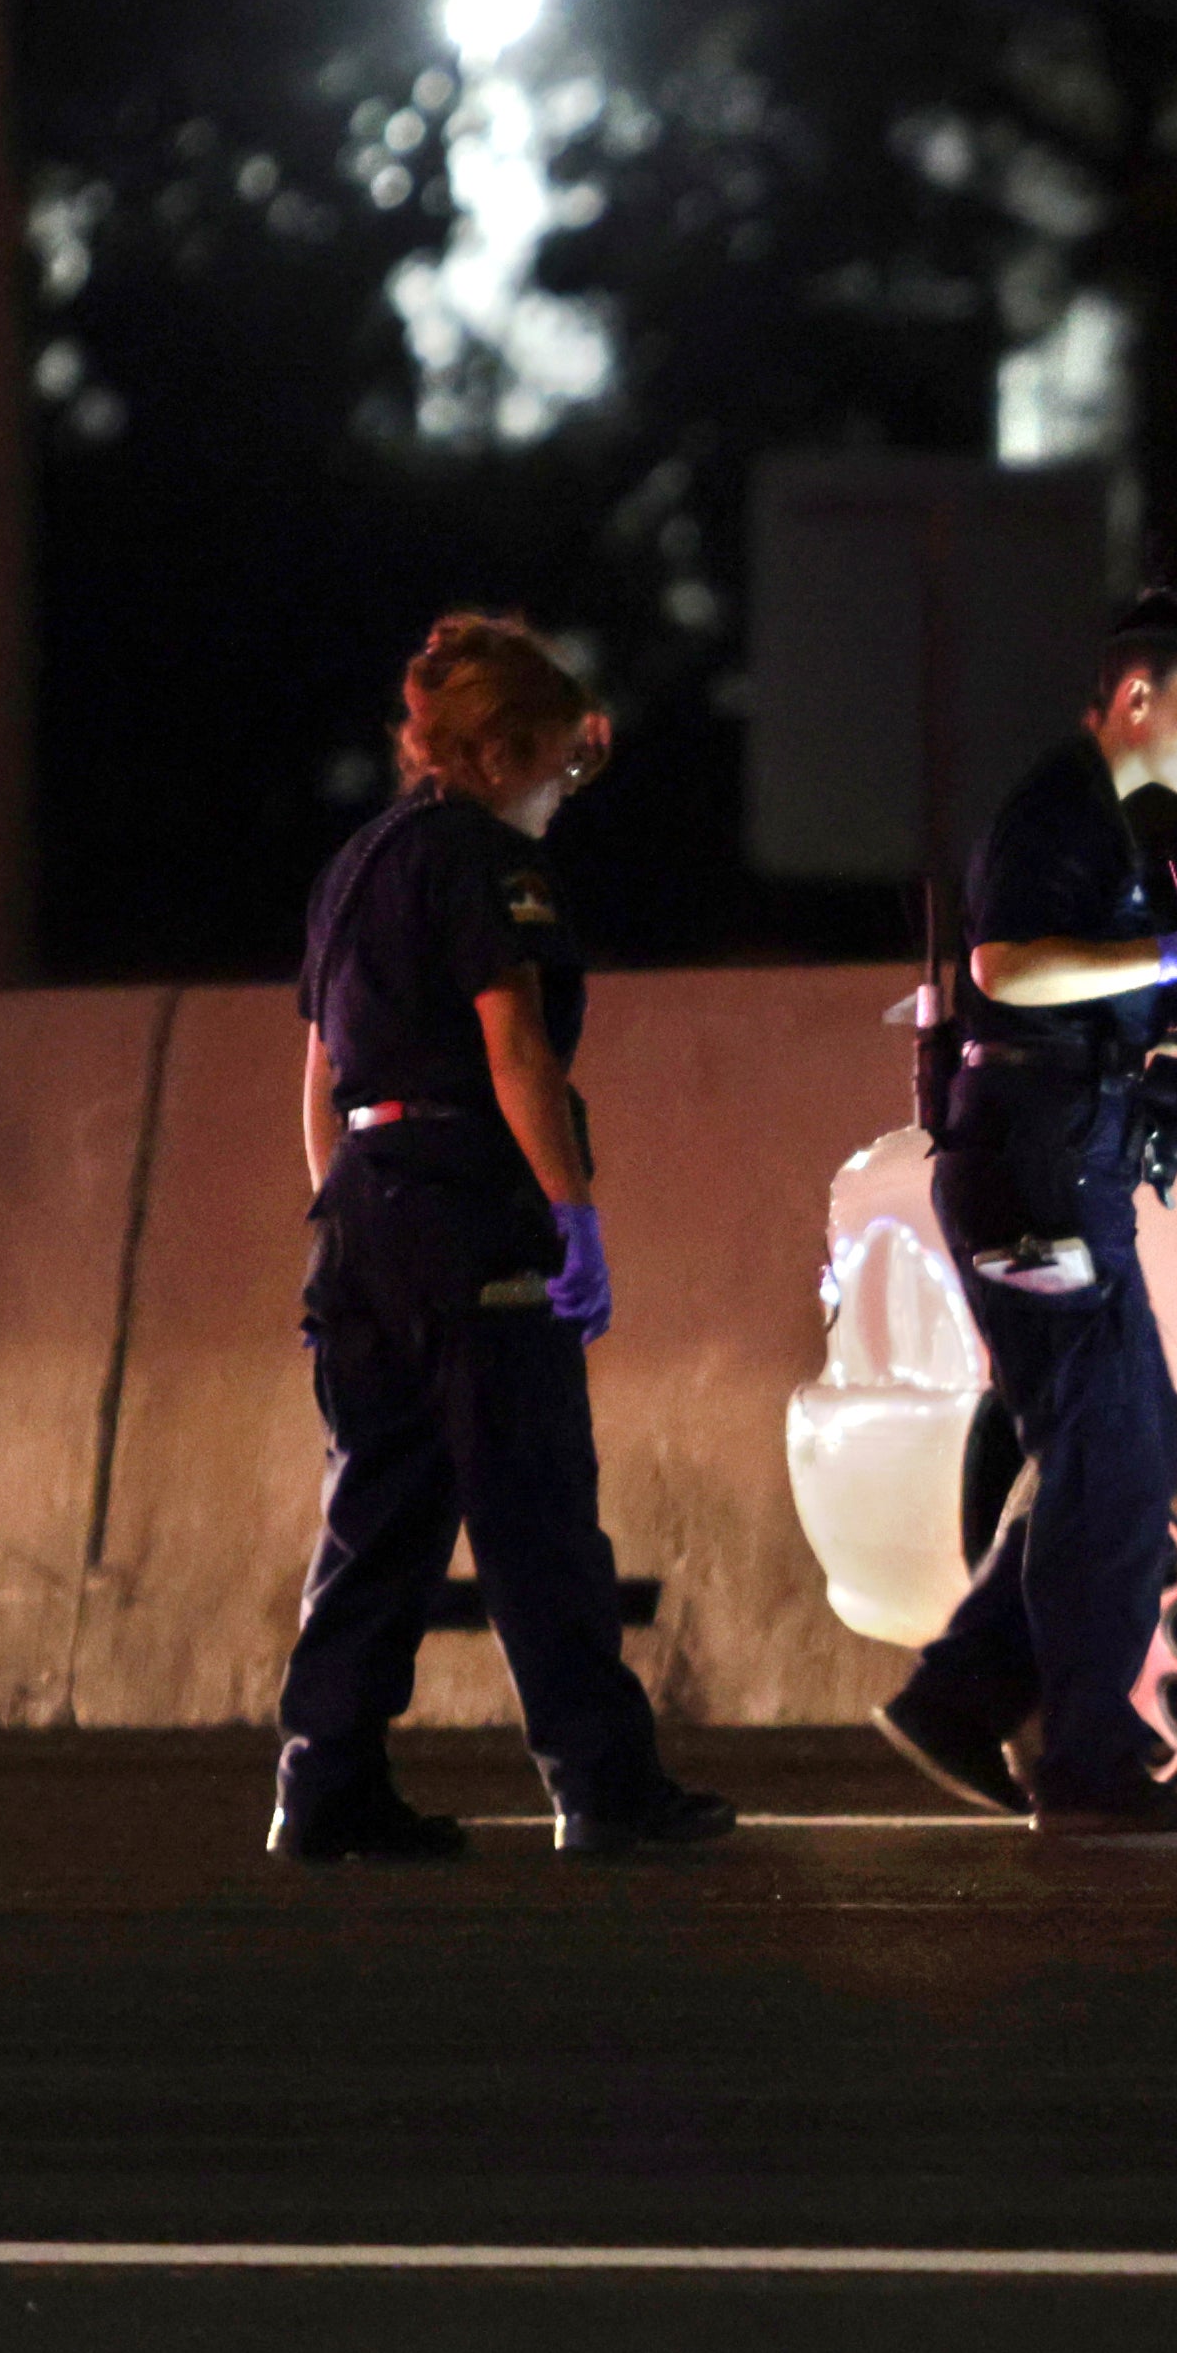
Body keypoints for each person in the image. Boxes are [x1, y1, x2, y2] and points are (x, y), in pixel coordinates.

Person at [274, 614, 735, 1861]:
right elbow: (514, 1046)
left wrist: (349, 1214)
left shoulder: (355, 865)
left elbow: (321, 1075)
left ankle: (323, 1781)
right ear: (496, 751)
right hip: (469, 1212)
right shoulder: (484, 864)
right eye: (559, 762)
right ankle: (604, 1785)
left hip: (365, 1211)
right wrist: (571, 1212)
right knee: (535, 1513)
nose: (564, 789)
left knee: (375, 1518)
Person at [871, 589, 1177, 1835]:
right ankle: (1081, 1765)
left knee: (1110, 1451)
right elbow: (1004, 968)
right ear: (1137, 696)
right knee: (1110, 1459)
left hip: (1060, 1158)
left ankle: (961, 1698)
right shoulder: (1058, 809)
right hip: (1033, 1164)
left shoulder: (1096, 820)